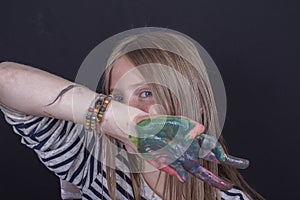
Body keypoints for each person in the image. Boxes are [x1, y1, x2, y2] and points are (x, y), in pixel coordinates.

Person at [0, 29, 264, 200]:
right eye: (117, 98)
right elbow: (5, 80)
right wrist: (117, 118)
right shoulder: (94, 162)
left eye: (146, 93)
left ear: (197, 104)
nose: (130, 109)